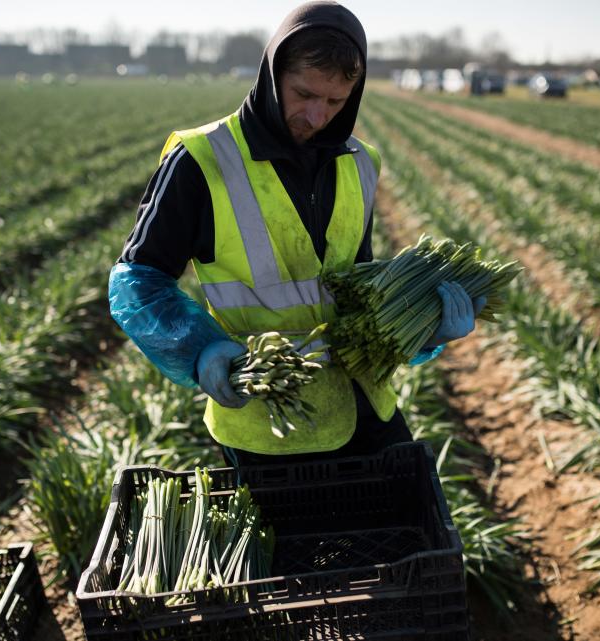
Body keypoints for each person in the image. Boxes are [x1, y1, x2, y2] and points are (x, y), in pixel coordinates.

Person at [109, 0, 485, 474]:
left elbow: (356, 288)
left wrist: (424, 325)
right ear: (271, 75)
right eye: (303, 93)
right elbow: (137, 282)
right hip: (267, 418)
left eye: (335, 102)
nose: (316, 116)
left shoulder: (360, 161)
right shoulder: (202, 159)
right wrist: (198, 347)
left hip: (363, 406)